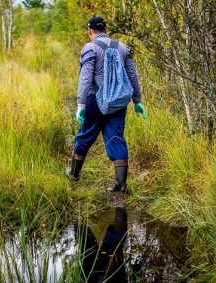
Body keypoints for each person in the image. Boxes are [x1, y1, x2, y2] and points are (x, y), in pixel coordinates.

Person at [66, 16, 147, 192]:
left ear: (90, 31)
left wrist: (80, 104)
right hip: (118, 100)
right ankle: (121, 184)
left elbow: (85, 77)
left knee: (85, 135)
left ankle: (73, 174)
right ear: (105, 30)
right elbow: (132, 75)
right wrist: (137, 100)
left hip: (95, 99)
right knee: (115, 137)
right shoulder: (122, 47)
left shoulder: (90, 47)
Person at [74, 207, 128, 283]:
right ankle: (76, 212)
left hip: (95, 275)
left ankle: (76, 212)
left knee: (113, 245)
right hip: (102, 275)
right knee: (112, 246)